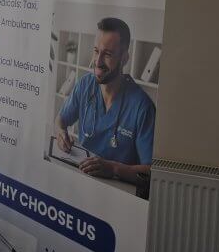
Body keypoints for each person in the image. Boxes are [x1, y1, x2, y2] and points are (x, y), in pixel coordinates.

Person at [55, 17, 155, 185]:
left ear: (124, 58)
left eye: (107, 54)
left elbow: (151, 172)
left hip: (117, 192)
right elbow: (61, 120)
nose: (98, 61)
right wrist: (61, 133)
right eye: (96, 51)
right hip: (80, 179)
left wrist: (114, 169)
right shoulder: (85, 85)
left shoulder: (142, 107)